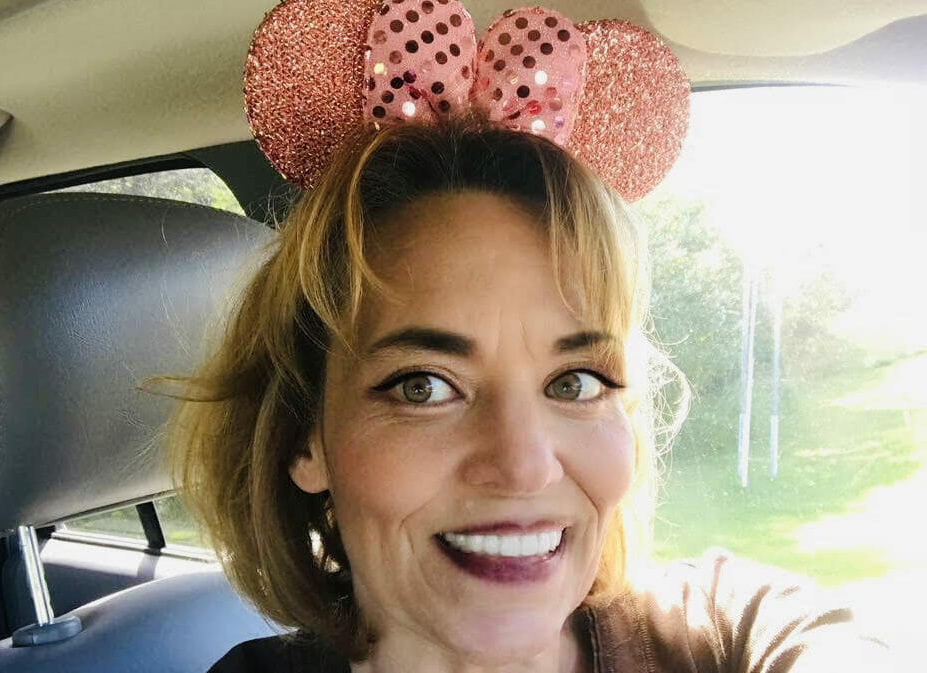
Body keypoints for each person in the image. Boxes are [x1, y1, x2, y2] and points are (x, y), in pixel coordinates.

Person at [166, 2, 894, 671]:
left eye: (575, 380)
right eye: (424, 385)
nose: (522, 466)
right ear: (306, 437)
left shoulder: (721, 636)